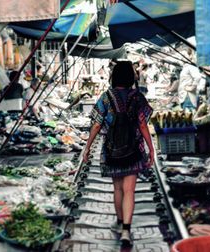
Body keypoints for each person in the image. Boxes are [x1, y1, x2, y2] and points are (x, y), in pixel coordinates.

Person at [82, 61, 154, 247]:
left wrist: (87, 147)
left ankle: (120, 221)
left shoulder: (106, 97)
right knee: (130, 190)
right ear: (131, 77)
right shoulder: (137, 97)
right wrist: (151, 148)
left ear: (114, 77)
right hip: (134, 150)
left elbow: (97, 124)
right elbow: (143, 123)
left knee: (118, 189)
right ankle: (126, 231)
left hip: (112, 150)